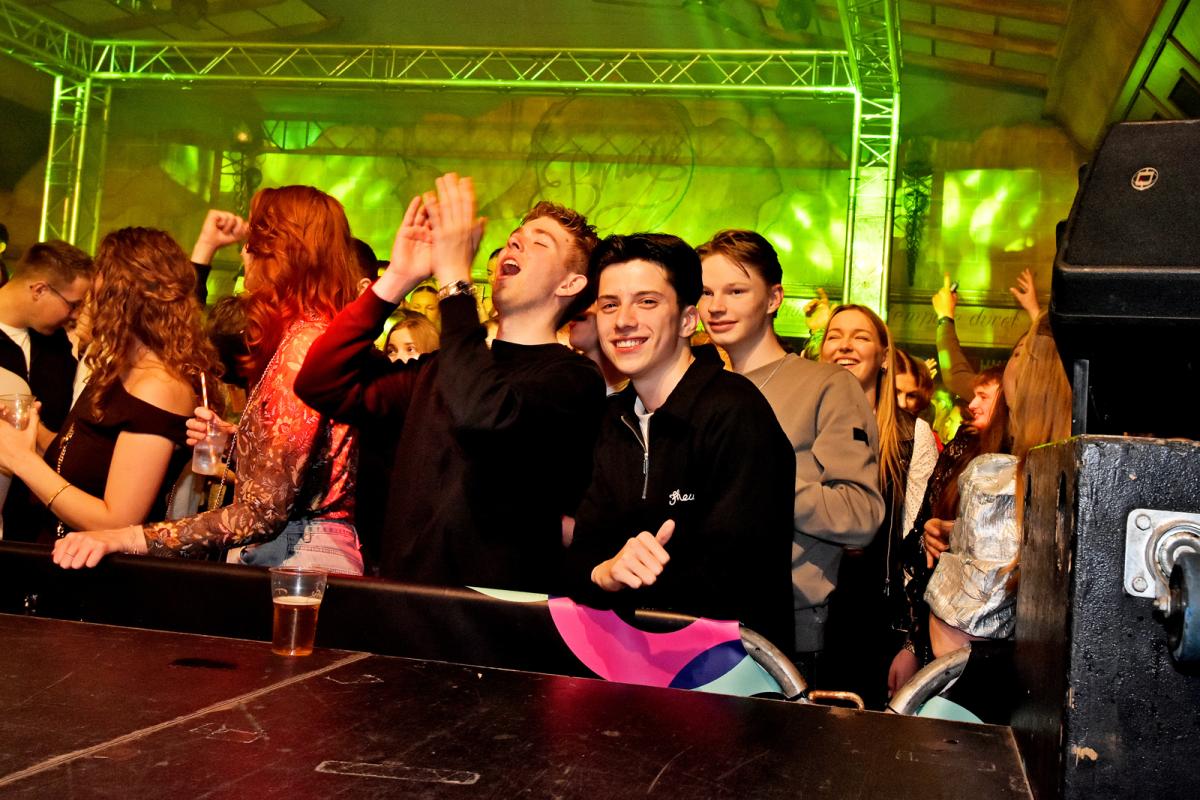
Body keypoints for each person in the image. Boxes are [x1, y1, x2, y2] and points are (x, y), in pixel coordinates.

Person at [293, 173, 605, 591]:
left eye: (540, 242)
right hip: (405, 599)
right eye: (515, 237)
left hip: (491, 614)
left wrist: (456, 282)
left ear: (570, 283)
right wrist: (398, 278)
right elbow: (320, 381)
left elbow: (483, 413)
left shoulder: (573, 379)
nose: (516, 243)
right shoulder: (441, 368)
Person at [52, 185, 363, 575]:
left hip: (298, 556)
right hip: (290, 551)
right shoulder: (302, 337)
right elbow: (304, 464)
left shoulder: (304, 345)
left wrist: (130, 537)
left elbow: (262, 512)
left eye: (255, 243)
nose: (245, 253)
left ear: (283, 254)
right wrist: (237, 440)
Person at [567, 233, 796, 649]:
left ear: (688, 320)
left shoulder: (735, 412)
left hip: (725, 670)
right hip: (623, 661)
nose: (623, 320)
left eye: (647, 301)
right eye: (609, 304)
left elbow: (738, 574)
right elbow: (584, 553)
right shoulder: (611, 417)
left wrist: (633, 571)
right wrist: (605, 572)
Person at [696, 229, 883, 668]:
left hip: (785, 635)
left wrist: (761, 483)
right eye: (705, 292)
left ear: (774, 298)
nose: (716, 306)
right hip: (697, 619)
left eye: (736, 291)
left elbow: (860, 514)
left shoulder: (826, 385)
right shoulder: (697, 387)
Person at [0, 228, 219, 544]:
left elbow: (117, 522)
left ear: (121, 298)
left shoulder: (158, 386)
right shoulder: (119, 371)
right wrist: (26, 434)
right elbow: (75, 464)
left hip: (97, 571)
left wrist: (21, 460)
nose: (90, 302)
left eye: (99, 286)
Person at [923, 316, 1071, 658]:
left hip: (988, 674)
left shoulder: (995, 477)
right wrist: (962, 532)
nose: (1010, 365)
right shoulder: (1076, 471)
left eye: (1020, 353)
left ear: (1035, 378)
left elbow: (960, 633)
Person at [819, 303, 937, 708]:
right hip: (804, 611)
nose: (845, 345)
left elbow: (918, 547)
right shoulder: (798, 423)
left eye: (860, 337)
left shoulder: (911, 435)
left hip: (874, 620)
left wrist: (911, 642)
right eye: (834, 336)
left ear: (884, 357)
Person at [887, 366, 1009, 695]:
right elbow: (920, 544)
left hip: (996, 652)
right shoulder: (962, 450)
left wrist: (966, 536)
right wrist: (912, 646)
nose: (972, 404)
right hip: (937, 636)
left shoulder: (1031, 459)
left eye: (983, 396)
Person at [0, 239, 93, 541]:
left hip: (39, 522)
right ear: (39, 289)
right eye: (73, 304)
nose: (76, 315)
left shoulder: (57, 345)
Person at [932, 269, 1040, 400]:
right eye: (1016, 354)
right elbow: (955, 377)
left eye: (1027, 356)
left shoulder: (1001, 395)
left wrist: (945, 316)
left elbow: (955, 377)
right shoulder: (1005, 392)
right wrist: (1034, 311)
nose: (1021, 362)